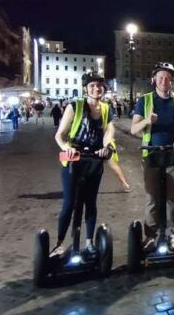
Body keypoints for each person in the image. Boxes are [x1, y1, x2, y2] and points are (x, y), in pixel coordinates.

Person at [52, 72, 115, 258]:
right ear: (86, 88)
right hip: (74, 159)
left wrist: (107, 146)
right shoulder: (75, 106)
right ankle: (59, 243)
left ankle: (88, 243)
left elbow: (109, 133)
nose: (97, 88)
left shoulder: (106, 109)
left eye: (100, 86)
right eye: (92, 85)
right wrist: (66, 147)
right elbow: (59, 135)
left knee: (91, 202)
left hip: (95, 159)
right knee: (70, 203)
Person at [130, 62, 174, 248]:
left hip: (173, 153)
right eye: (160, 77)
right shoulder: (145, 100)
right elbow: (134, 129)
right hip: (152, 153)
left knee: (171, 197)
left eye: (167, 77)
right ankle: (150, 234)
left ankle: (171, 231)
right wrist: (148, 120)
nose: (164, 81)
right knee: (153, 197)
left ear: (171, 80)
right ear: (154, 79)